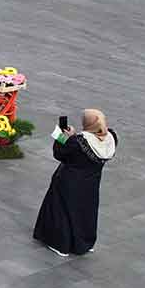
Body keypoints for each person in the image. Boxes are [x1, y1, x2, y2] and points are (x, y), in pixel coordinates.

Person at [33, 110, 117, 257]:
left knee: (62, 212)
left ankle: (60, 244)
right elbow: (96, 138)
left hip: (68, 181)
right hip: (91, 184)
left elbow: (59, 153)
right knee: (86, 212)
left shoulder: (77, 142)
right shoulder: (112, 138)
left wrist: (63, 136)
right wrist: (74, 137)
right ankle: (84, 243)